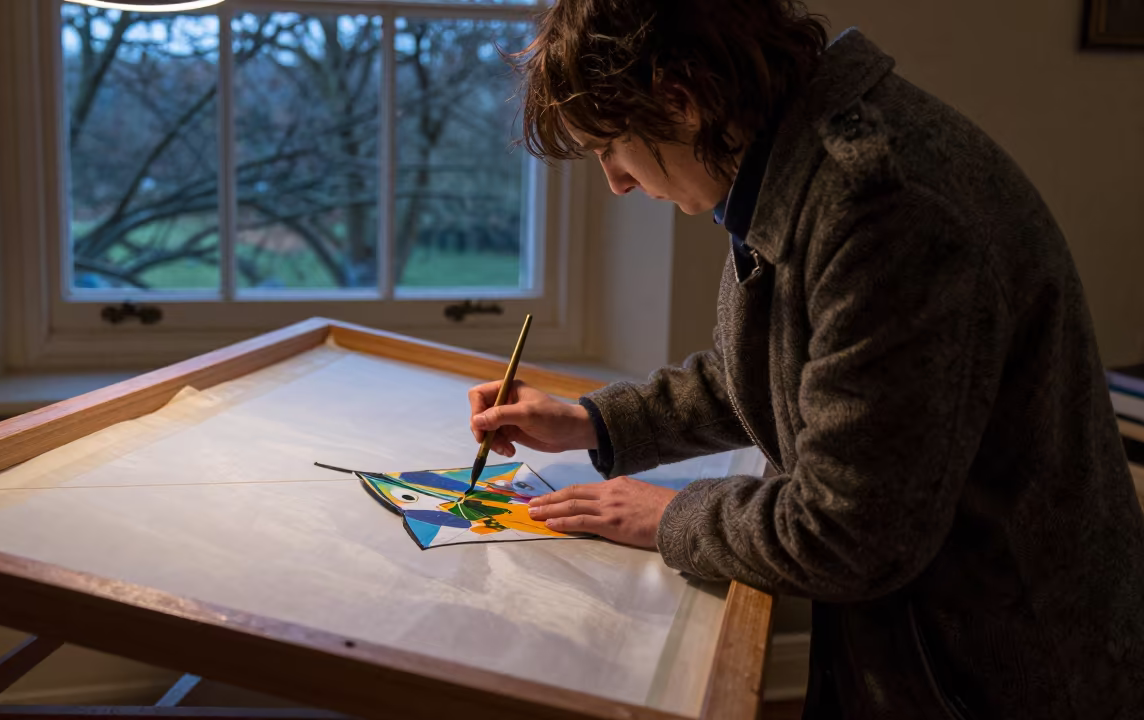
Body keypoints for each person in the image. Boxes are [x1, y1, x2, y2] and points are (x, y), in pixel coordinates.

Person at [466, 0, 1144, 717]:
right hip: (933, 646)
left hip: (1007, 676)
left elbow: (851, 531)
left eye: (612, 147)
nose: (617, 182)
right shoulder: (792, 163)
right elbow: (771, 375)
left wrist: (668, 517)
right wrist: (590, 423)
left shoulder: (881, 208)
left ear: (680, 99)